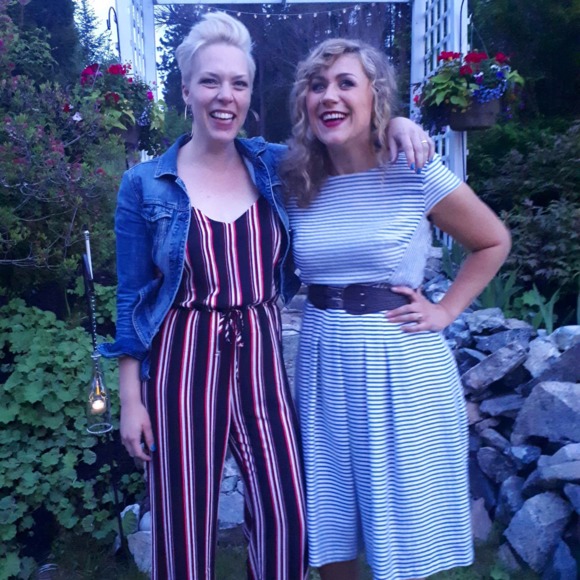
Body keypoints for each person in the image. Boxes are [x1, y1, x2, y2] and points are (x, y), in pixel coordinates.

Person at [99, 13, 435, 580]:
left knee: (286, 516)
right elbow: (131, 297)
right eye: (210, 81)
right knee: (183, 521)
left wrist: (397, 121)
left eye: (239, 83)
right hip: (182, 359)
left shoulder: (276, 165)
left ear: (250, 94)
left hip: (259, 352)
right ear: (186, 90)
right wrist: (131, 400)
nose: (224, 96)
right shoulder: (145, 184)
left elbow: (346, 136)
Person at [281, 38, 511, 580]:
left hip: (398, 365)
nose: (329, 96)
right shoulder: (296, 179)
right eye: (317, 85)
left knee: (402, 519)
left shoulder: (414, 168)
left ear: (375, 96)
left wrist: (445, 311)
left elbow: (492, 240)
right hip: (322, 363)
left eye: (346, 83)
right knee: (330, 510)